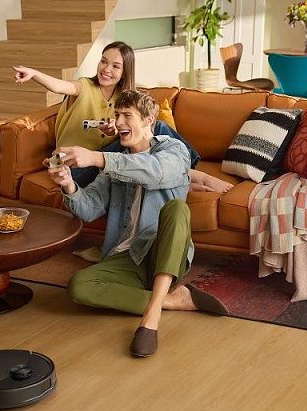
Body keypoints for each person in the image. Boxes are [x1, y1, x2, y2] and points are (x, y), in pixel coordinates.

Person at [46, 89, 228, 358]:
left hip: (162, 252)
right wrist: (69, 184)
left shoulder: (174, 150)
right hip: (126, 256)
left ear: (148, 120)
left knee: (177, 210)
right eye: (117, 115)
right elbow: (89, 209)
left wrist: (97, 158)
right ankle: (174, 300)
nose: (118, 122)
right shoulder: (115, 163)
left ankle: (151, 317)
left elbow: (155, 172)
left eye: (127, 115)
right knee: (79, 286)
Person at [13, 40, 233, 193]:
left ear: (124, 71)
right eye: (103, 61)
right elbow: (59, 86)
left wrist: (115, 130)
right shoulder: (84, 87)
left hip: (107, 164)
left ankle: (182, 176)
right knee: (153, 130)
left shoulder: (124, 99)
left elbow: (133, 139)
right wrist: (34, 74)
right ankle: (191, 174)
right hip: (76, 168)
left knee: (151, 128)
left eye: (115, 66)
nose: (106, 69)